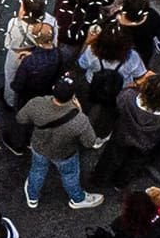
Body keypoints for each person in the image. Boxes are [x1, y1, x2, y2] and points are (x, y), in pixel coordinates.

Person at [18, 72, 105, 211]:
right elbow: (89, 142)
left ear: (53, 88)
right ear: (73, 97)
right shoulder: (80, 120)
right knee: (70, 176)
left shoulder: (36, 103)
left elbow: (21, 118)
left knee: (37, 171)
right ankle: (78, 199)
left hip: (39, 147)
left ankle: (33, 197)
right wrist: (80, 111)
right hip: (65, 154)